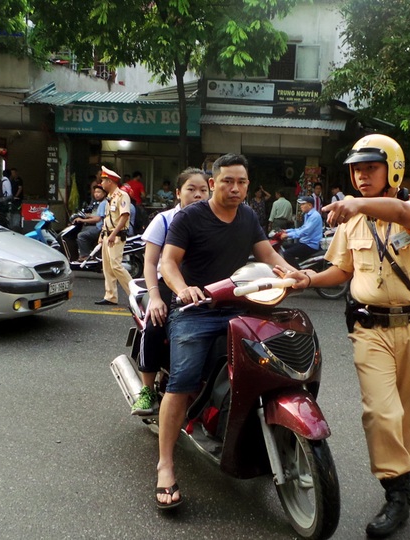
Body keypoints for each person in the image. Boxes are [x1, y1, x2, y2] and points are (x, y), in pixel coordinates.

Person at [286, 134, 410, 538]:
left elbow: (403, 214)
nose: (360, 176)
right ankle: (395, 492)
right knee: (381, 410)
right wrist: (307, 279)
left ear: (393, 169)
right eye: (356, 170)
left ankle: (404, 478)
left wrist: (357, 204)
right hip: (371, 330)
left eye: (369, 168)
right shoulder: (352, 220)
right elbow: (342, 270)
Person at [155, 153, 298, 510]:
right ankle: (165, 465)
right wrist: (184, 289)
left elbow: (268, 256)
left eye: (242, 182)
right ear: (214, 182)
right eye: (227, 181)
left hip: (239, 304)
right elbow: (168, 262)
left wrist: (292, 273)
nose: (235, 188)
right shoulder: (190, 217)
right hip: (195, 310)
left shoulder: (248, 216)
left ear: (248, 185)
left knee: (270, 362)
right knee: (182, 381)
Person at [131, 168, 210, 415]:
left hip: (202, 286)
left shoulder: (214, 221)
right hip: (166, 285)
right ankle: (146, 391)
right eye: (191, 189)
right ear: (178, 192)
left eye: (203, 190)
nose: (198, 195)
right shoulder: (164, 220)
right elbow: (151, 263)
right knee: (155, 324)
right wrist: (155, 297)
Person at [95, 166, 132, 306]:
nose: (102, 184)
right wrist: (102, 234)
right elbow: (108, 218)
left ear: (110, 181)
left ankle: (135, 293)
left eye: (103, 180)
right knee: (107, 268)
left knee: (116, 266)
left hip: (116, 236)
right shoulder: (109, 197)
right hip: (107, 235)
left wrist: (113, 234)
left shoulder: (122, 196)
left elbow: (124, 217)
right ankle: (110, 296)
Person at [280, 195, 323, 267]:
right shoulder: (307, 215)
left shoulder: (315, 216)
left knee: (287, 253)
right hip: (304, 242)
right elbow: (301, 228)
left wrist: (288, 235)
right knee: (284, 247)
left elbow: (305, 231)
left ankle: (297, 272)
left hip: (310, 245)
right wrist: (287, 231)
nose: (301, 206)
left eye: (303, 204)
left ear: (309, 205)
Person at [75, 184, 107, 261]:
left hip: (100, 228)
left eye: (99, 192)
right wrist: (87, 216)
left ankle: (85, 255)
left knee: (81, 236)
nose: (96, 194)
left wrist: (83, 220)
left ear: (104, 193)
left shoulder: (103, 203)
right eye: (95, 192)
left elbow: (98, 219)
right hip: (99, 226)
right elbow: (99, 216)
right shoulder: (101, 203)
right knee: (84, 229)